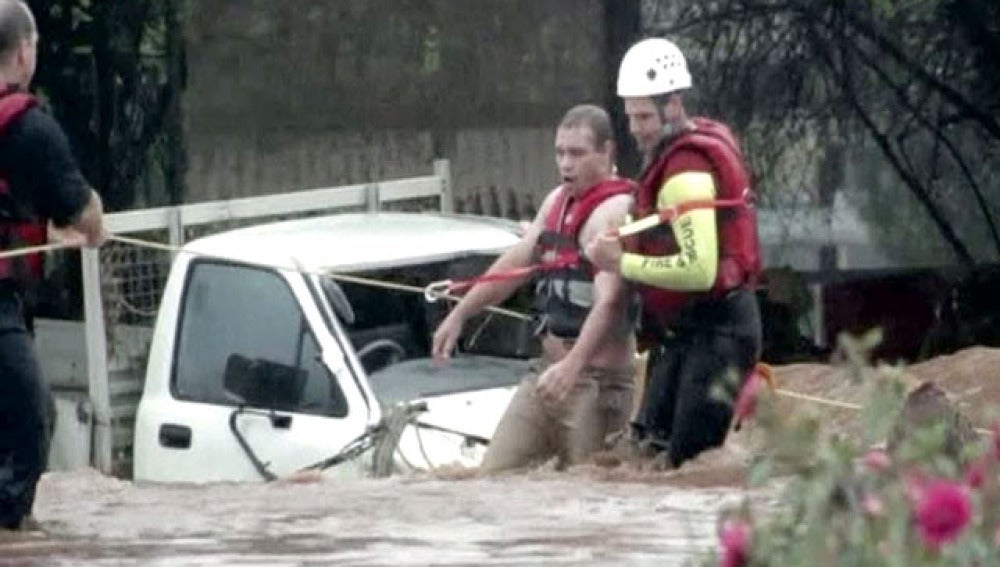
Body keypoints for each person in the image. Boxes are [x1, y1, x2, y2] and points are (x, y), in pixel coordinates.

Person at [587, 37, 763, 469]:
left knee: (688, 467)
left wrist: (620, 262)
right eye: (630, 117)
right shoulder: (671, 157)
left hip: (721, 333)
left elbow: (699, 268)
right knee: (646, 452)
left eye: (645, 116)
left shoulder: (686, 171)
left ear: (674, 104)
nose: (636, 128)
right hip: (683, 333)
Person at [432, 104, 637, 472]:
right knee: (493, 476)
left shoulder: (617, 211)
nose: (565, 164)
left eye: (577, 153)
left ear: (606, 152)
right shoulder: (556, 202)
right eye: (560, 153)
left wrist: (573, 366)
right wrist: (461, 313)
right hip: (545, 373)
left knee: (591, 500)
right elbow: (514, 266)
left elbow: (609, 305)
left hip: (596, 384)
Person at [0, 0, 108, 530]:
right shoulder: (31, 129)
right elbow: (87, 217)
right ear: (23, 52)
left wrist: (44, 230)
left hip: (10, 304)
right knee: (32, 421)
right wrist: (91, 226)